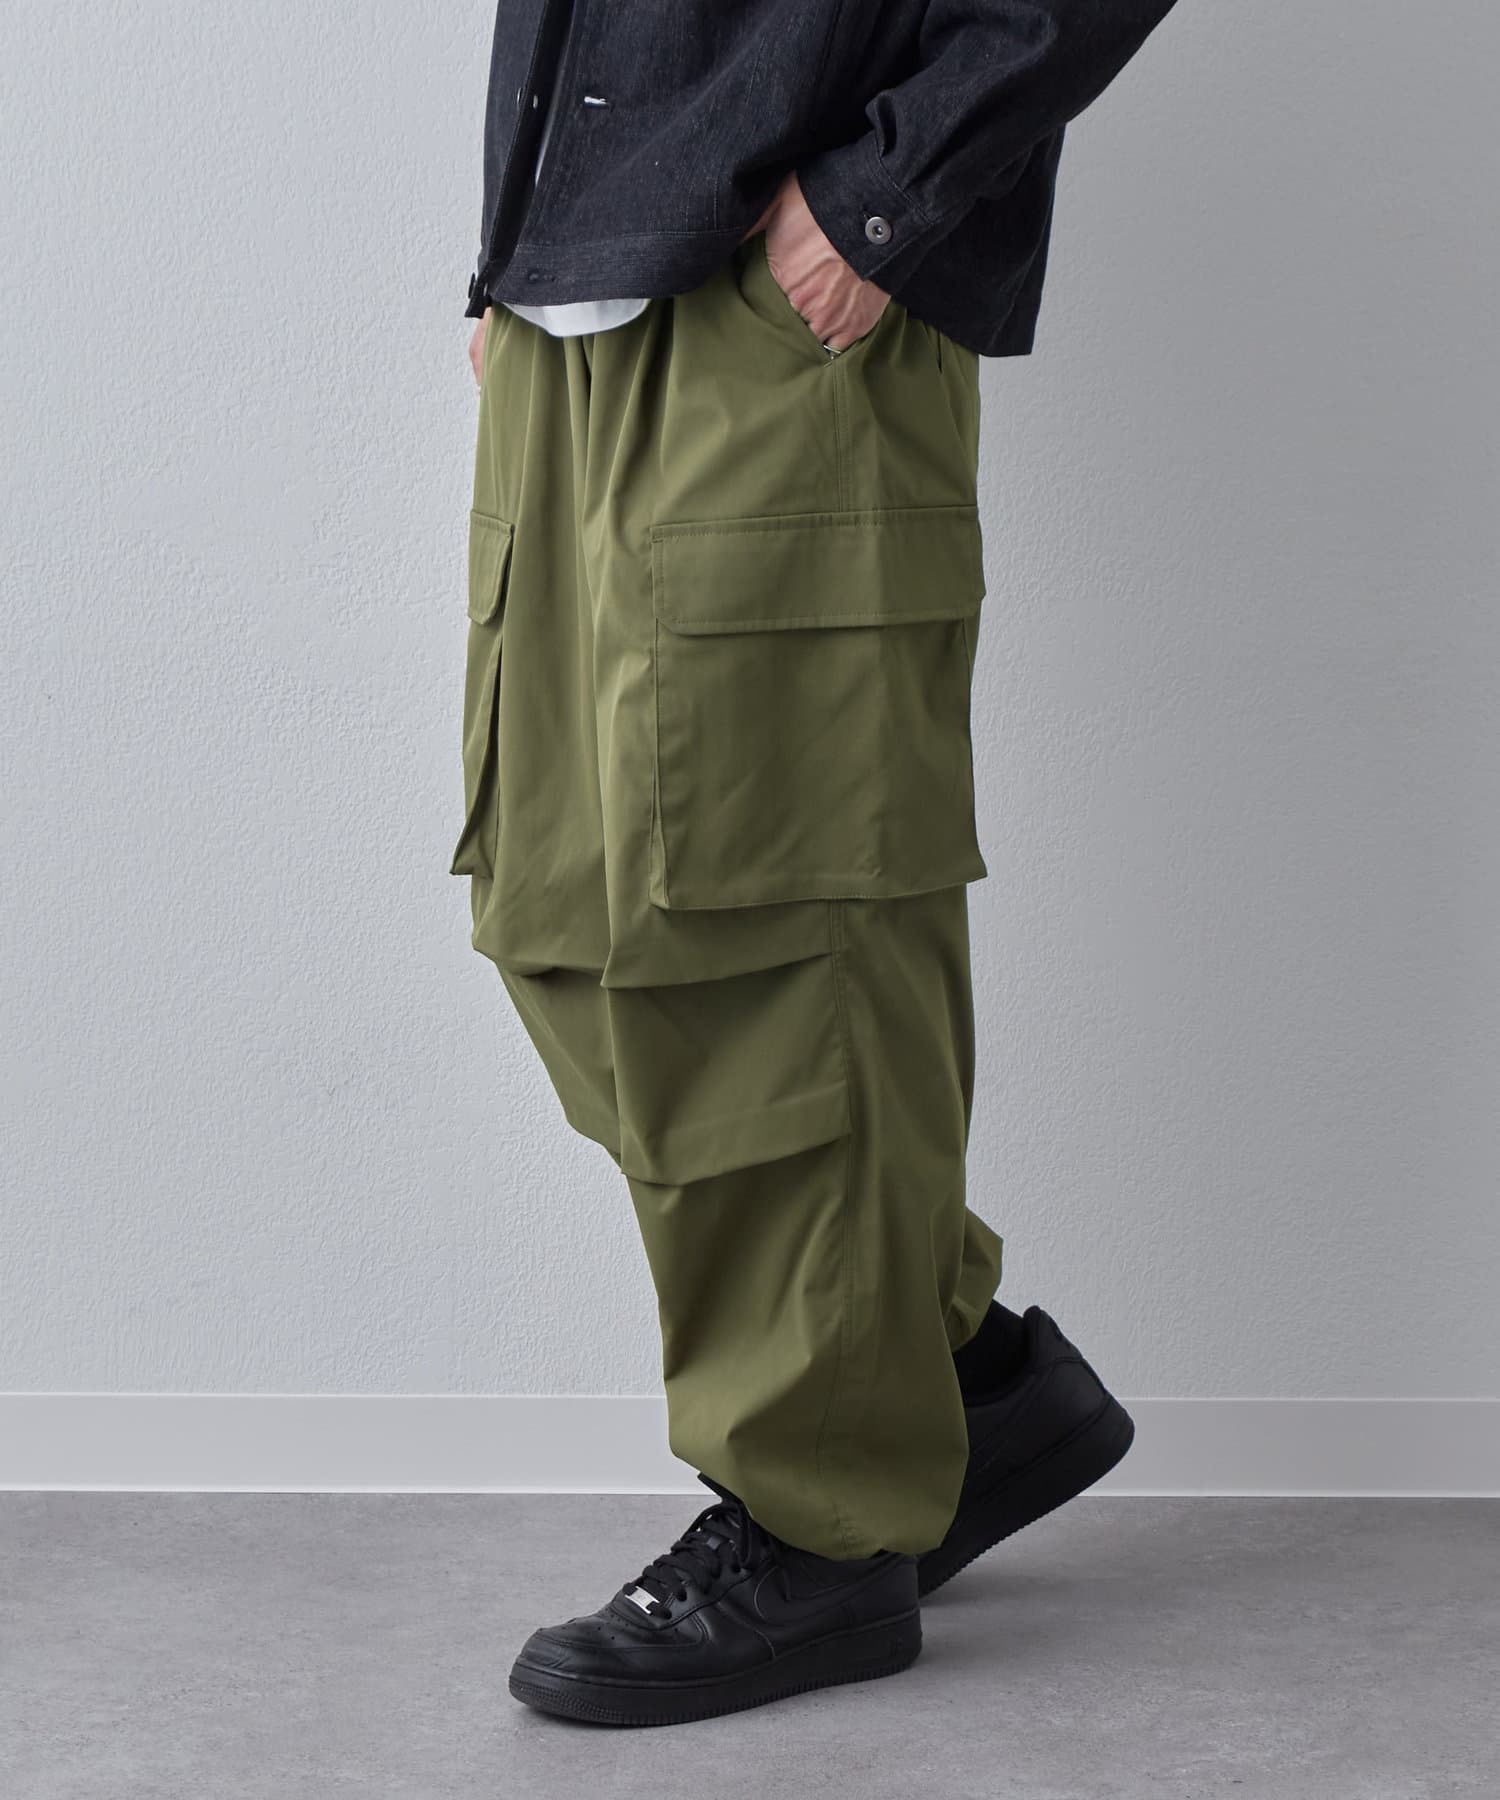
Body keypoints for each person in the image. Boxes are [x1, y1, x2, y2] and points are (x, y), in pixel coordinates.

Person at [454, 0, 1178, 1729]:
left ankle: (824, 1524)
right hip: (569, 308)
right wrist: (509, 249)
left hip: (784, 309)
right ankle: (953, 1380)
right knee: (561, 915)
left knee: (775, 942)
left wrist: (881, 198)